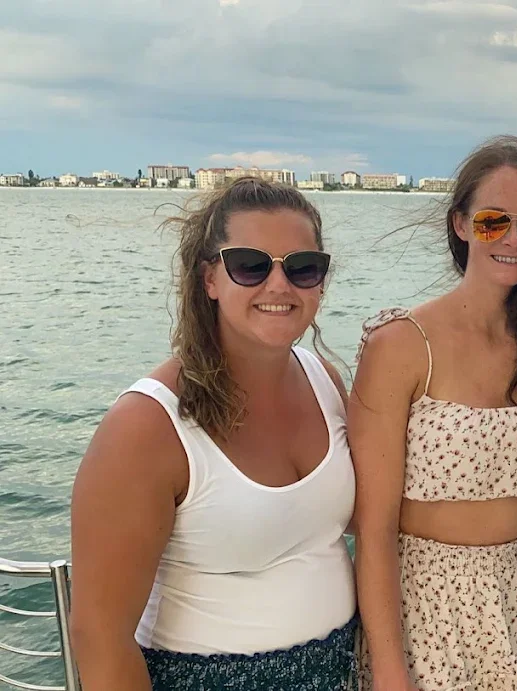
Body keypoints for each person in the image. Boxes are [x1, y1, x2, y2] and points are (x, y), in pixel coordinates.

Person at [69, 177, 357, 690]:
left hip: (342, 672)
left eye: (302, 267)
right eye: (250, 265)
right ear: (209, 279)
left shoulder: (325, 381)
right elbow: (99, 636)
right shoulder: (146, 426)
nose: (278, 286)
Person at [350, 135, 517, 691]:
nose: (513, 239)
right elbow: (375, 529)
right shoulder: (402, 344)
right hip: (422, 614)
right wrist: (390, 671)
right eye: (492, 222)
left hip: (511, 604)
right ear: (460, 224)